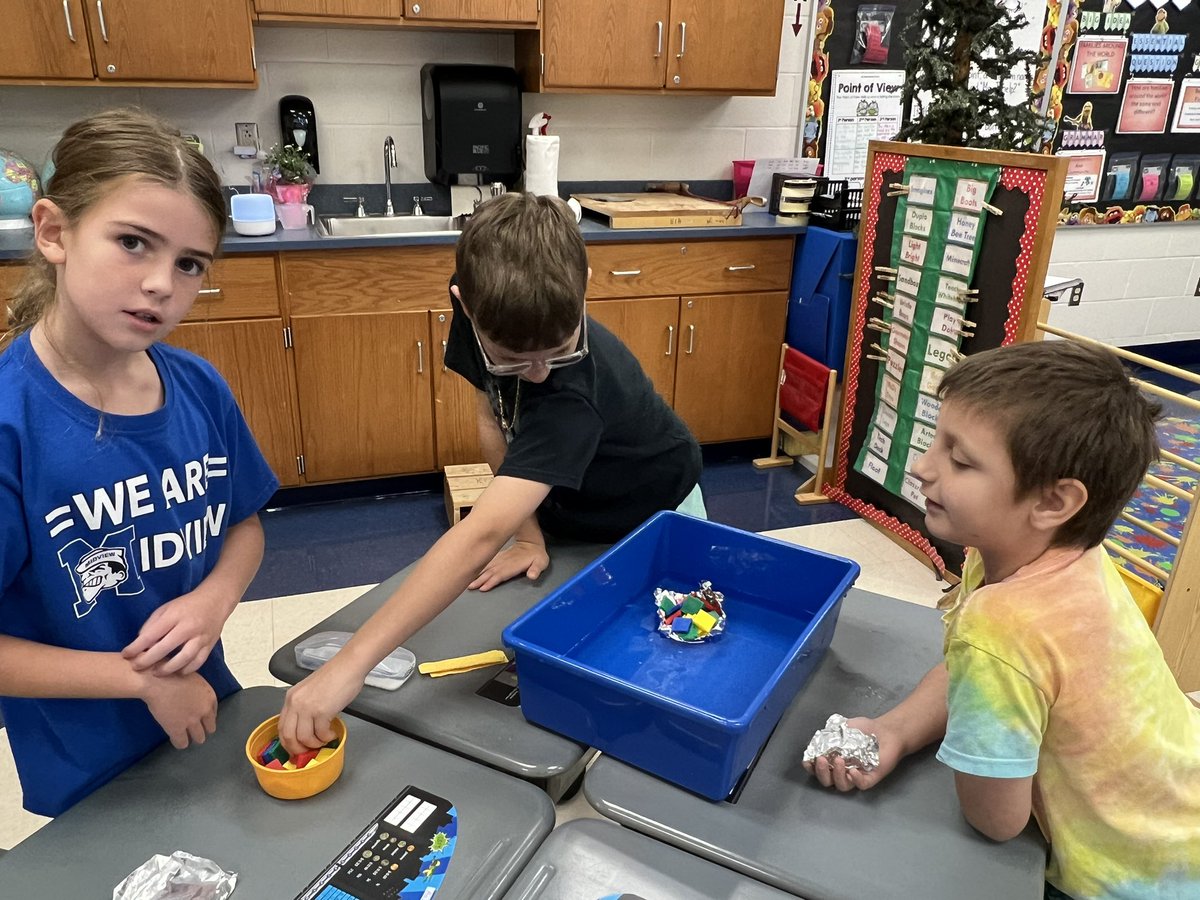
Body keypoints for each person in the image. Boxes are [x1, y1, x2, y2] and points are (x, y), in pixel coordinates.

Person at [278, 192, 703, 752]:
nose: (537, 372)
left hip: (657, 509)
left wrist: (349, 665)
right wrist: (529, 534)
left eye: (558, 350)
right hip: (573, 502)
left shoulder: (573, 396)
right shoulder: (488, 305)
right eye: (512, 358)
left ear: (585, 287)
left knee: (651, 676)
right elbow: (493, 414)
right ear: (466, 304)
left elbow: (480, 533)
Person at [804, 340, 1200, 899]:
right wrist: (896, 729)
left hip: (1139, 880)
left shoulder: (1003, 624)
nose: (922, 467)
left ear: (1053, 503)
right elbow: (979, 675)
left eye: (961, 461)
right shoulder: (1063, 554)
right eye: (936, 441)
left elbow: (997, 820)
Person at [0, 109, 278, 817]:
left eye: (189, 264)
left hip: (205, 715)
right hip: (90, 767)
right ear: (54, 233)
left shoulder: (199, 388)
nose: (161, 283)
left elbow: (244, 525)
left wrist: (213, 602)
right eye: (132, 243)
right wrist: (141, 681)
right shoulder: (12, 425)